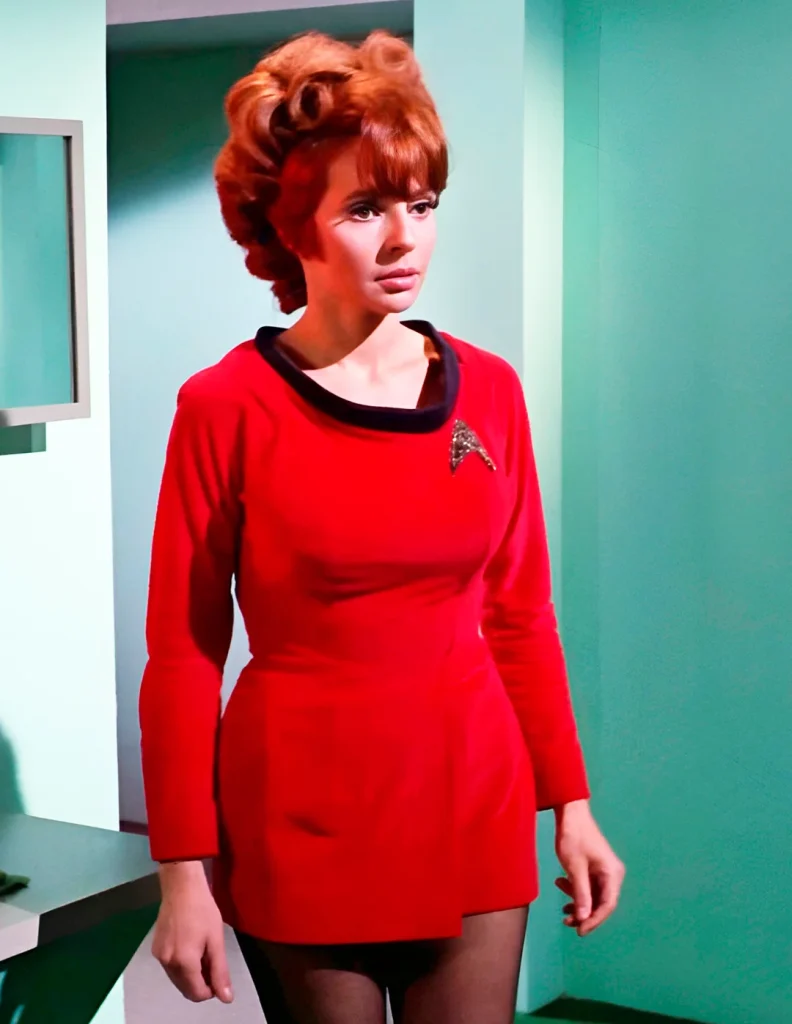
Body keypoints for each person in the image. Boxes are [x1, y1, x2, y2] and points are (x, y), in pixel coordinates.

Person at [139, 28, 625, 1024]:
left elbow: (521, 615)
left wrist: (570, 805)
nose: (405, 238)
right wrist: (181, 872)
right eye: (365, 209)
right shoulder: (224, 406)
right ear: (290, 225)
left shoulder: (490, 391)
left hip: (474, 799)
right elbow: (184, 655)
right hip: (300, 818)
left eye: (422, 204)